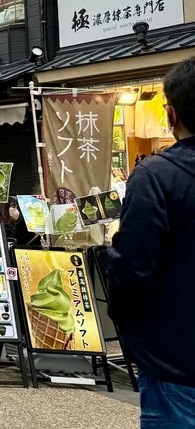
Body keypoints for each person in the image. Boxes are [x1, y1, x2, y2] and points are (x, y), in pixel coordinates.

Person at [108, 58, 195, 427]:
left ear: (171, 115)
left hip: (176, 359)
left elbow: (131, 268)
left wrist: (130, 332)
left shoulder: (156, 176)